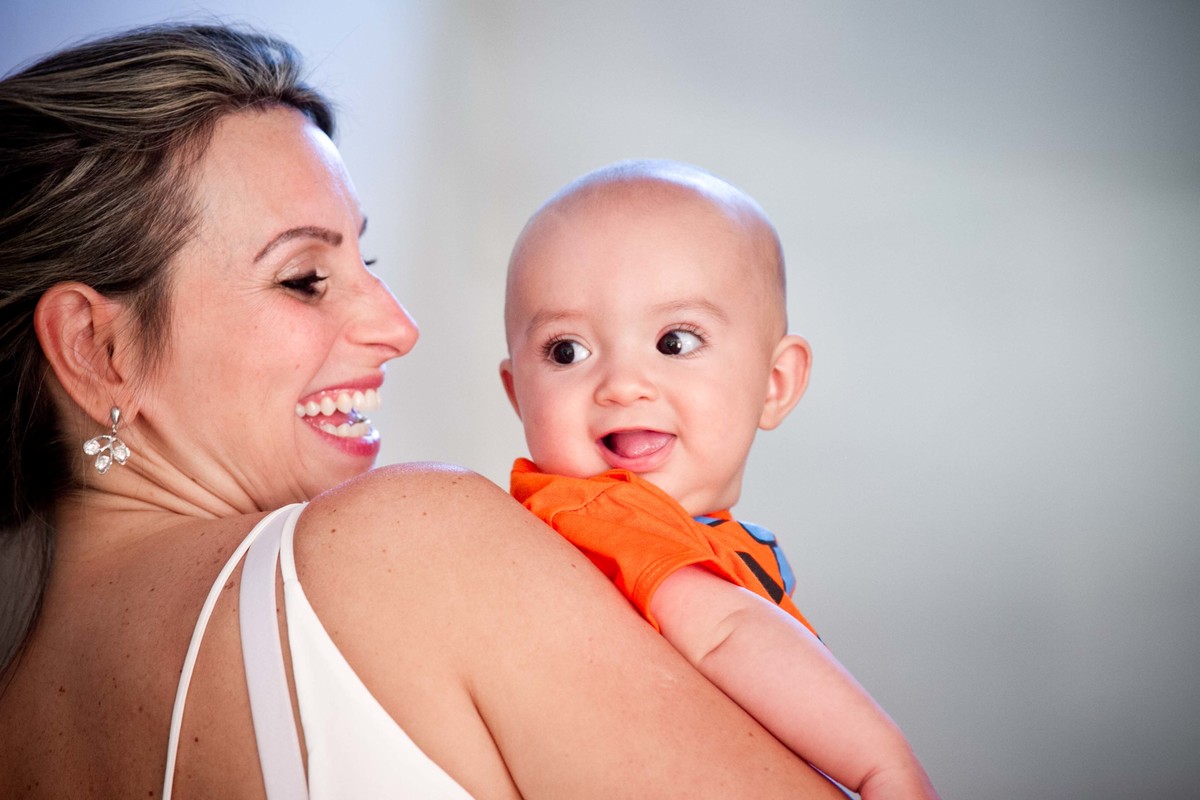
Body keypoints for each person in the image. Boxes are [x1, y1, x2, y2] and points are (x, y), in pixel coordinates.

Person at [0, 25, 850, 798]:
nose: (398, 327)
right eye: (305, 279)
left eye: (365, 260)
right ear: (96, 348)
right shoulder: (408, 546)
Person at [499, 160, 940, 799]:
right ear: (519, 395)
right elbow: (727, 634)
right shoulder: (590, 512)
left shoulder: (711, 540)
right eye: (567, 351)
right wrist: (883, 767)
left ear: (775, 382)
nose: (623, 384)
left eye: (674, 342)